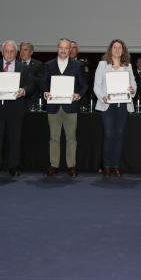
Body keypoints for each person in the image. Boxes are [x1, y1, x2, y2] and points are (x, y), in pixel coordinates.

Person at [0, 40, 34, 177]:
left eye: (12, 51)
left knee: (14, 139)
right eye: (7, 51)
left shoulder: (24, 68)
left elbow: (31, 86)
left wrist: (24, 90)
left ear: (16, 53)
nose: (9, 54)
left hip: (16, 109)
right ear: (2, 52)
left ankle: (13, 167)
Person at [42, 38, 89, 177]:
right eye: (61, 47)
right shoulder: (48, 65)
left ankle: (71, 166)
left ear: (70, 50)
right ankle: (54, 165)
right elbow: (43, 83)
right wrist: (45, 91)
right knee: (54, 137)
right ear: (58, 48)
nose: (63, 50)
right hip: (53, 106)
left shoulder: (78, 65)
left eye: (66, 48)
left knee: (71, 138)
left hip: (71, 106)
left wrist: (78, 95)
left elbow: (84, 85)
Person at [93, 39, 137, 177]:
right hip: (108, 105)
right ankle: (106, 166)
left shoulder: (127, 65)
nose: (117, 50)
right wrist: (103, 97)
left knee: (119, 135)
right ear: (110, 50)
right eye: (114, 47)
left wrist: (132, 89)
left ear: (123, 50)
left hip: (123, 105)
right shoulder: (102, 64)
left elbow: (133, 84)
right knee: (109, 134)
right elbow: (96, 86)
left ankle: (116, 166)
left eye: (120, 47)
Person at [19, 41, 44, 110]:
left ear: (31, 52)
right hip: (17, 101)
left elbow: (39, 83)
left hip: (32, 101)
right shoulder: (15, 64)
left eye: (25, 50)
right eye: (21, 49)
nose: (22, 52)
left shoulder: (39, 65)